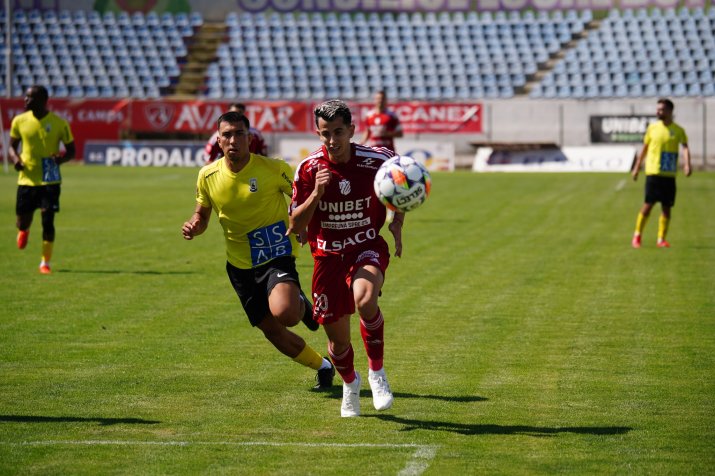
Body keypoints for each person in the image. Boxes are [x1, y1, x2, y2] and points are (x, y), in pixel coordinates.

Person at [182, 111, 335, 390]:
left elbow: (302, 199)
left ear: (249, 138)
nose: (233, 140)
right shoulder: (207, 176)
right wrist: (194, 225)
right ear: (218, 140)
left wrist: (305, 225)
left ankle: (298, 303)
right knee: (273, 332)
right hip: (240, 267)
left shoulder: (274, 168)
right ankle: (323, 367)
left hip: (275, 253)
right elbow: (202, 216)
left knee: (286, 314)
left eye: (239, 133)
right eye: (227, 134)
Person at [290, 100, 405, 417]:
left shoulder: (378, 160)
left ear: (352, 130)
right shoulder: (308, 169)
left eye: (338, 132)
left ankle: (377, 373)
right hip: (326, 257)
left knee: (365, 299)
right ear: (318, 132)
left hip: (365, 246)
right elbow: (295, 225)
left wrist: (397, 221)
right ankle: (350, 384)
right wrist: (316, 194)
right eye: (325, 133)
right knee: (338, 343)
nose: (332, 140)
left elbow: (402, 183)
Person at [9, 85, 75, 274]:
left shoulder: (59, 123)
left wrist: (60, 159)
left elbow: (72, 151)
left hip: (50, 173)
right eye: (25, 97)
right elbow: (12, 146)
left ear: (43, 100)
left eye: (30, 97)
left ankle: (45, 263)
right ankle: (24, 230)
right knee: (22, 221)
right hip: (27, 175)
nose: (25, 100)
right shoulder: (19, 121)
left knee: (48, 220)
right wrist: (15, 159)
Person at [631, 98, 692, 248]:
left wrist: (687, 164)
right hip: (653, 172)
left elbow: (685, 148)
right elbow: (644, 149)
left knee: (667, 208)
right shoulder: (652, 128)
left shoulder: (678, 130)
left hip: (669, 175)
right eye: (657, 109)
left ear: (670, 111)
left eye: (661, 109)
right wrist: (637, 167)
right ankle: (637, 235)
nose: (658, 112)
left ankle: (661, 239)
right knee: (648, 205)